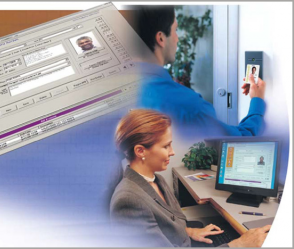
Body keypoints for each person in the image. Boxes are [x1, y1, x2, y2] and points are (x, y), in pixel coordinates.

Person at [110, 109, 271, 247]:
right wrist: (238, 245)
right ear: (140, 151)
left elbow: (166, 224)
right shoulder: (128, 201)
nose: (172, 152)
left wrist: (190, 231)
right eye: (166, 146)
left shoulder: (156, 179)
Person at [130, 6, 266, 137]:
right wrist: (257, 101)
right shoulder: (190, 106)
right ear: (161, 38)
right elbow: (239, 141)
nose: (177, 38)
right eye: (175, 30)